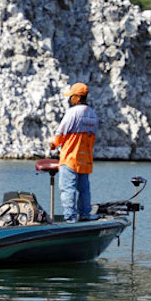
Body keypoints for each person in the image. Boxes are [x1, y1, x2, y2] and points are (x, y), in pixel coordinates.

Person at [49, 83, 99, 223]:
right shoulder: (93, 114)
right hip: (86, 160)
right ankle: (84, 215)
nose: (70, 99)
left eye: (71, 96)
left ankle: (70, 218)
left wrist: (53, 144)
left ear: (77, 97)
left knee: (68, 189)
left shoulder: (72, 113)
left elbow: (60, 134)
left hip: (70, 158)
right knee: (84, 190)